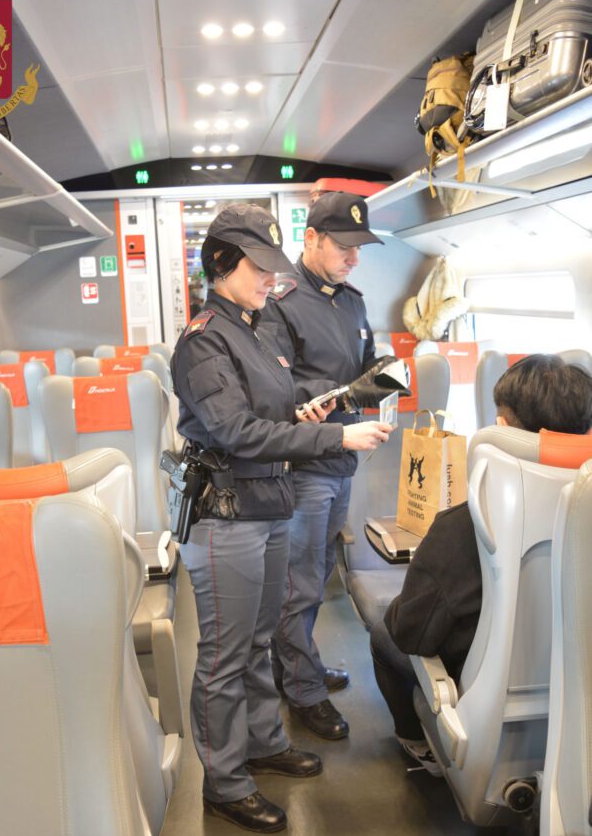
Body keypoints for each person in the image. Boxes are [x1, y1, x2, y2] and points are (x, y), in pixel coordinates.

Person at [171, 203, 393, 833]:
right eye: (257, 268)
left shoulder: (252, 327)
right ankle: (225, 782)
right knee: (224, 653)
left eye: (273, 266)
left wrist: (316, 407)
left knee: (260, 639)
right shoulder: (204, 339)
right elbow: (236, 431)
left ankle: (266, 743)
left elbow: (278, 404)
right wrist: (335, 441)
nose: (271, 279)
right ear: (220, 265)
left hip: (269, 503)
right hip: (227, 514)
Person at [370, 354, 592, 774]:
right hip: (579, 695)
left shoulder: (466, 524)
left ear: (502, 429)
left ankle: (419, 743)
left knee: (385, 632)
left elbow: (411, 633)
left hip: (487, 699)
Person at [263, 190, 387, 740]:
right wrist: (336, 395)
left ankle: (297, 667)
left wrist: (382, 374)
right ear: (310, 239)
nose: (354, 257)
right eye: (344, 246)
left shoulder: (353, 301)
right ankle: (303, 690)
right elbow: (274, 387)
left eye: (360, 247)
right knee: (301, 581)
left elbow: (364, 367)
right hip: (305, 463)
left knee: (315, 570)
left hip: (343, 460)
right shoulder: (280, 300)